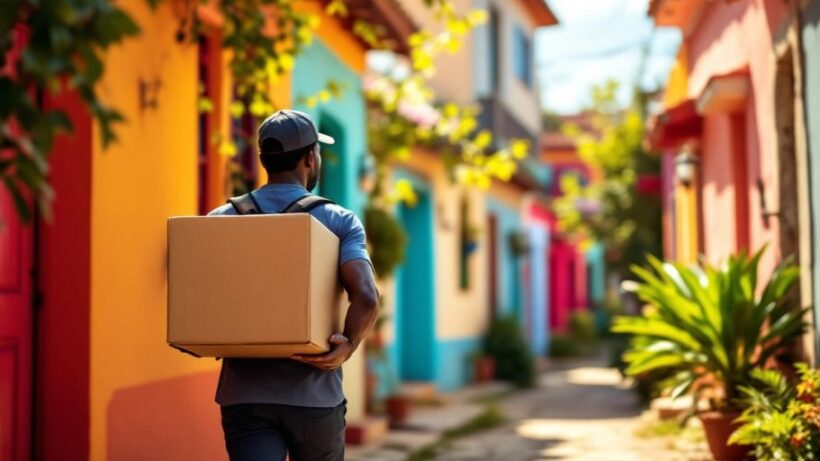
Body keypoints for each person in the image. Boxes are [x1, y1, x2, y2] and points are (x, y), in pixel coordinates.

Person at [208, 110, 380, 461]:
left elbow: (200, 294)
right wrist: (347, 345)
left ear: (263, 160)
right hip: (315, 398)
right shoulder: (339, 221)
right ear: (309, 157)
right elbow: (366, 296)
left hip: (245, 396)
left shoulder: (220, 221)